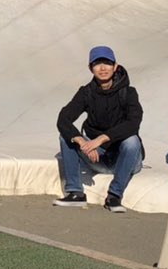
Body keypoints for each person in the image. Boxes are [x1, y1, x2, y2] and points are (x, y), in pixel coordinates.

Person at [54, 45, 144, 212]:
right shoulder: (86, 92)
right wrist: (82, 142)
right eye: (97, 64)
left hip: (125, 159)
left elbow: (133, 122)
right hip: (99, 158)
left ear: (115, 66)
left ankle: (114, 196)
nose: (102, 68)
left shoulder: (129, 93)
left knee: (132, 141)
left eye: (107, 63)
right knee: (66, 136)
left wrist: (100, 139)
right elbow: (63, 118)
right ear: (91, 68)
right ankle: (75, 193)